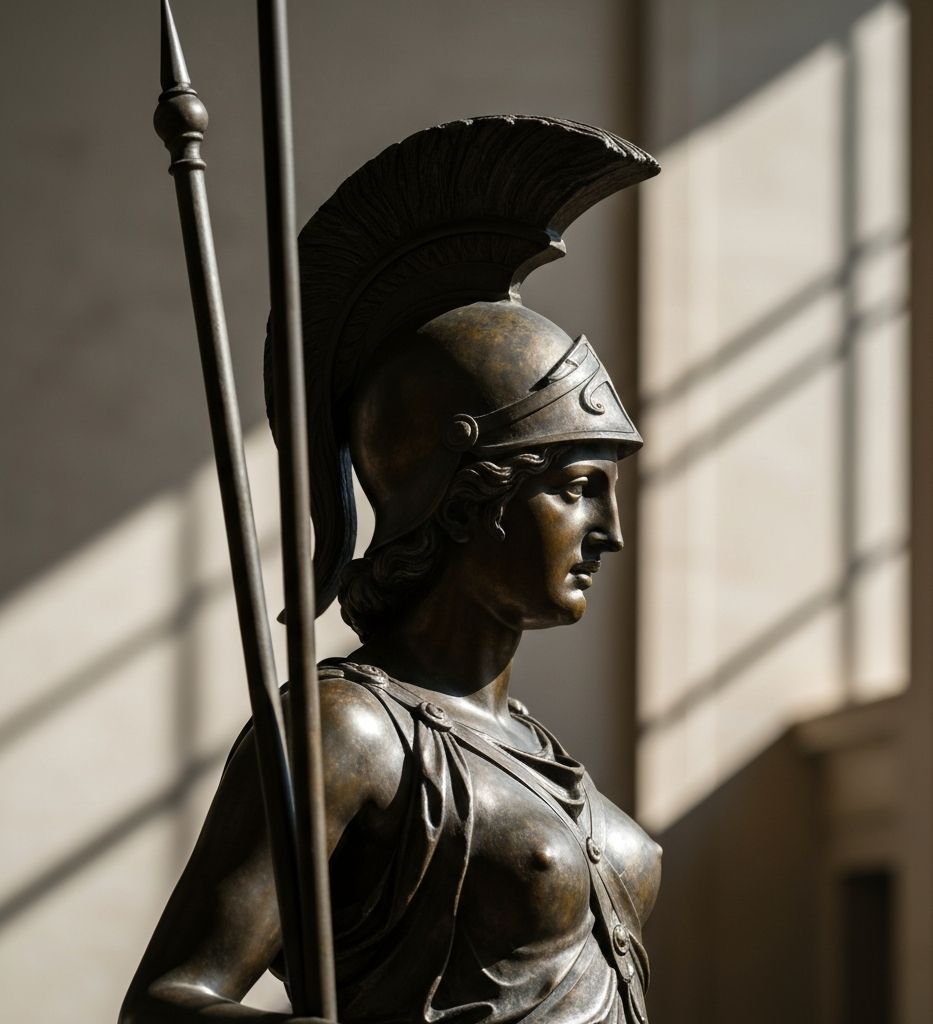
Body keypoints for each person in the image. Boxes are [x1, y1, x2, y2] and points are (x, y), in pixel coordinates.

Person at [120, 115, 661, 1024]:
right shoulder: (350, 730)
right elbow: (170, 1001)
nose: (608, 533)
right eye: (576, 490)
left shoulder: (535, 746)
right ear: (463, 497)